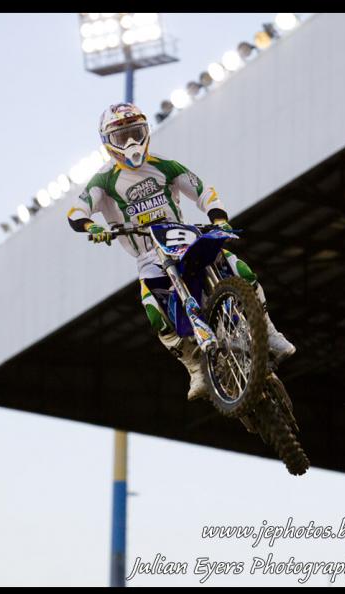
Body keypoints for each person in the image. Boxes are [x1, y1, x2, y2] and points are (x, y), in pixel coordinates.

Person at [67, 103, 295, 401]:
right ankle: (195, 368)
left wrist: (218, 217)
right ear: (108, 142)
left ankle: (270, 332)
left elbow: (203, 191)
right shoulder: (103, 180)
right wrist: (92, 226)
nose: (131, 143)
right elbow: (76, 211)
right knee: (153, 310)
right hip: (149, 256)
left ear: (146, 132)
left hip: (182, 237)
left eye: (136, 133)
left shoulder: (165, 165)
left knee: (239, 267)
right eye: (122, 137)